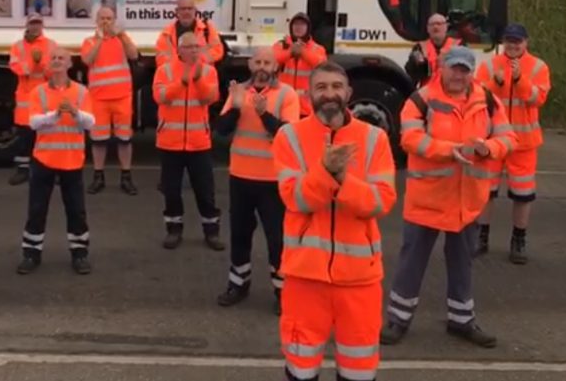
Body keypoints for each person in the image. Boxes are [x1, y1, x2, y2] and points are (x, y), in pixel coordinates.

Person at [381, 46, 515, 349]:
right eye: (454, 67)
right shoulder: (421, 99)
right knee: (412, 261)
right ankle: (397, 320)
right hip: (427, 198)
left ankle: (462, 320)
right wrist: (449, 151)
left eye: (465, 69)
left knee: (462, 263)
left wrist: (488, 149)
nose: (459, 74)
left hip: (467, 200)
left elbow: (509, 138)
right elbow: (410, 139)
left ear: (471, 72)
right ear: (441, 68)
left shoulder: (489, 101)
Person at [272, 61, 397, 381]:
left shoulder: (374, 139)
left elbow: (381, 202)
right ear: (307, 95)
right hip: (304, 276)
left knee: (358, 371)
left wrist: (342, 180)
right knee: (300, 368)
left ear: (349, 93)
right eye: (321, 88)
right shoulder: (289, 136)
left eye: (337, 87)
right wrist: (325, 173)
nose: (330, 94)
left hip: (360, 280)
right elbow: (295, 198)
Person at [214, 47, 299, 313]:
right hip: (241, 178)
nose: (262, 67)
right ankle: (238, 283)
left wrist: (264, 115)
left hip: (273, 181)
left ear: (275, 67)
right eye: (258, 62)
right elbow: (222, 130)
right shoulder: (239, 92)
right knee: (240, 235)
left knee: (277, 239)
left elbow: (288, 135)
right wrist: (237, 107)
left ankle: (283, 290)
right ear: (250, 65)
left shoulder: (287, 94)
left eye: (267, 63)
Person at [474, 23, 551, 263]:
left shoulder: (538, 66)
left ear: (526, 43)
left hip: (523, 143)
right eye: (509, 41)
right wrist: (495, 83)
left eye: (517, 41)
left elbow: (538, 99)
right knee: (486, 191)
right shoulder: (489, 64)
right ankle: (481, 236)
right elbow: (477, 96)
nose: (513, 45)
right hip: (493, 141)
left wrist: (520, 79)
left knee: (523, 194)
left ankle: (519, 239)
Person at [16, 46, 95, 275]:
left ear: (70, 64)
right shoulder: (38, 92)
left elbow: (90, 122)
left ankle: (80, 255)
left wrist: (75, 113)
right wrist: (55, 115)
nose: (58, 61)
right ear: (48, 65)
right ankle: (31, 254)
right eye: (54, 58)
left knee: (77, 211)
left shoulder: (81, 92)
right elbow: (33, 122)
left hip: (72, 160)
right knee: (37, 209)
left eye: (62, 58)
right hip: (44, 160)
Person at [152, 32, 223, 251]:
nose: (194, 51)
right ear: (179, 49)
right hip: (170, 142)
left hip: (198, 142)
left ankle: (211, 231)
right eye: (189, 47)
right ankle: (174, 229)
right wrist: (181, 82)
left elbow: (210, 98)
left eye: (197, 47)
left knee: (205, 190)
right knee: (171, 190)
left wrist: (198, 78)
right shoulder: (164, 70)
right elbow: (161, 97)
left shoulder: (209, 71)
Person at [81, 6, 139, 195]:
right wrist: (100, 39)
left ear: (114, 20)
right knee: (99, 141)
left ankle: (126, 177)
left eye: (109, 18)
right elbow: (88, 60)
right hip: (99, 98)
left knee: (124, 139)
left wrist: (121, 35)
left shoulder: (121, 39)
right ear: (96, 21)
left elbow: (134, 55)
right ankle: (98, 177)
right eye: (102, 18)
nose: (106, 22)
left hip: (122, 96)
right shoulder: (89, 41)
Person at [7, 13, 55, 186]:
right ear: (27, 25)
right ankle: (22, 170)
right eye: (32, 23)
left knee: (45, 137)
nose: (35, 27)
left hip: (44, 98)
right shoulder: (17, 46)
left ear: (42, 26)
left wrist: (40, 62)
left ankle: (47, 171)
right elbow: (16, 68)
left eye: (38, 23)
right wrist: (32, 64)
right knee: (24, 138)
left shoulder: (50, 45)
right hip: (25, 99)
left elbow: (52, 72)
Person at [274, 12, 327, 118]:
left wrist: (302, 52)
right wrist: (290, 52)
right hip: (284, 105)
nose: (298, 27)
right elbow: (272, 60)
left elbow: (321, 64)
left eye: (302, 25)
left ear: (308, 28)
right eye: (296, 24)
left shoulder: (317, 49)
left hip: (307, 109)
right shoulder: (281, 45)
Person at [155, 0, 224, 66]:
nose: (186, 12)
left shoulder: (207, 29)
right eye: (183, 9)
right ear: (177, 11)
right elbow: (161, 59)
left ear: (195, 10)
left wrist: (192, 59)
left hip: (202, 75)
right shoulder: (167, 33)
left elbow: (217, 51)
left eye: (189, 8)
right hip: (176, 76)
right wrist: (183, 63)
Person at [405, 14, 460, 89]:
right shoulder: (420, 47)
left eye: (439, 24)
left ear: (446, 27)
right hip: (428, 95)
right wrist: (416, 64)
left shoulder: (459, 46)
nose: (435, 27)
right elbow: (412, 76)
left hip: (451, 93)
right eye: (432, 24)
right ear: (427, 29)